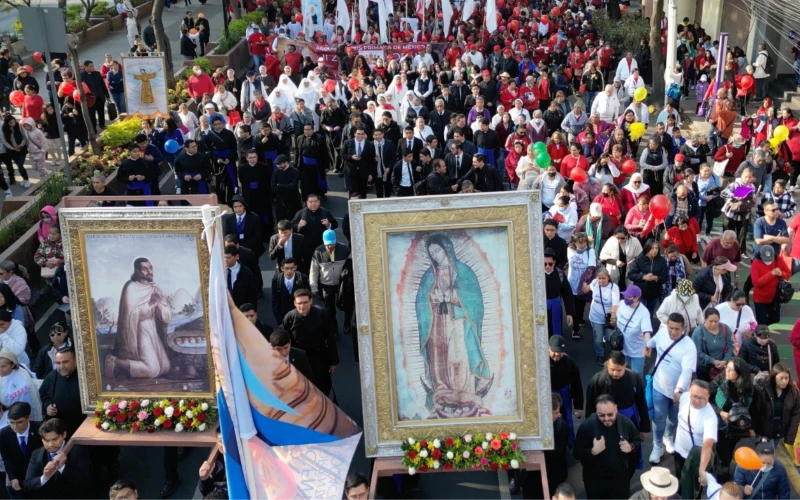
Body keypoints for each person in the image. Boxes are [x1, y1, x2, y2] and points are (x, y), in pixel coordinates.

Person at [103, 258, 172, 380]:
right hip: (137, 330)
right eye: (145, 269)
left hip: (152, 329)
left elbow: (167, 314)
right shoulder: (131, 287)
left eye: (150, 268)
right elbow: (131, 315)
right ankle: (114, 361)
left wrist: (159, 307)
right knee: (152, 370)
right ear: (137, 271)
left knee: (165, 367)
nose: (149, 272)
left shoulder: (154, 288)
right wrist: (152, 303)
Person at [648, 313, 698, 464]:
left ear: (683, 329)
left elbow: (687, 372)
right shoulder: (662, 334)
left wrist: (679, 390)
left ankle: (668, 436)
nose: (673, 332)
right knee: (659, 418)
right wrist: (647, 346)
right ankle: (657, 446)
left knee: (674, 418)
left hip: (679, 393)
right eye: (671, 328)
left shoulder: (689, 346)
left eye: (677, 329)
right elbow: (652, 342)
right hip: (659, 387)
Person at [573, 394, 641, 499]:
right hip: (595, 482)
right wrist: (592, 451)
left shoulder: (626, 424)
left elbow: (637, 442)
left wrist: (631, 447)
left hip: (619, 482)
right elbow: (576, 454)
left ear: (616, 409)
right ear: (596, 411)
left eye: (610, 414)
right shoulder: (587, 427)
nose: (606, 419)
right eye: (601, 415)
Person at [282, 289, 338, 397]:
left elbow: (330, 338)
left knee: (322, 386)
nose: (302, 306)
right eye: (299, 303)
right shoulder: (289, 318)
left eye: (305, 302)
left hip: (319, 357)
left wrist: (334, 361)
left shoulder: (321, 314)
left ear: (311, 301)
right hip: (299, 358)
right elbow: (286, 341)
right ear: (294, 303)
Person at [586, 350, 652, 441]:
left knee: (630, 445)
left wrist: (645, 428)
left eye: (619, 370)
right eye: (612, 370)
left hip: (629, 419)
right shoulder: (597, 380)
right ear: (608, 365)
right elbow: (590, 406)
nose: (615, 373)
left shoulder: (634, 378)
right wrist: (589, 428)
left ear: (625, 366)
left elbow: (641, 403)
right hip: (604, 419)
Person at [21, 417, 89, 499]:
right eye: (46, 440)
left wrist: (63, 468)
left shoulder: (78, 451)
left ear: (64, 434)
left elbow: (85, 481)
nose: (50, 445)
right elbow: (27, 485)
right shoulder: (37, 454)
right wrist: (45, 477)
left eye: (55, 439)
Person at [673, 380, 718, 499]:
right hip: (679, 451)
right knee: (679, 482)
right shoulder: (684, 398)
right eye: (694, 396)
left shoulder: (710, 418)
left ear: (708, 398)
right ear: (689, 393)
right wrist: (676, 393)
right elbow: (676, 396)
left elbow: (707, 446)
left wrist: (702, 470)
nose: (697, 400)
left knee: (692, 490)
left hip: (695, 459)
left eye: (702, 398)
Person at [522, 393, 571, 499]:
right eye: (550, 413)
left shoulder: (562, 427)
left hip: (553, 473)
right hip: (533, 474)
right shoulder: (533, 422)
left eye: (556, 413)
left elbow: (556, 452)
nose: (553, 416)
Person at [0, 402, 42, 499]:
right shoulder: (4, 434)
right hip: (17, 477)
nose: (15, 427)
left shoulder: (40, 429)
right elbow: (6, 458)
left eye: (19, 422)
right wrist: (12, 477)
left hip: (37, 475)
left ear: (29, 418)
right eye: (11, 423)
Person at [548, 335, 583, 447]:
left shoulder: (569, 362)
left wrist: (578, 406)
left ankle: (570, 442)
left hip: (564, 392)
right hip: (547, 393)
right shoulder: (541, 361)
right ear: (548, 348)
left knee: (567, 418)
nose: (557, 354)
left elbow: (576, 383)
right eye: (554, 351)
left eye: (560, 352)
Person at [291, 194, 336, 272]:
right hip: (306, 247)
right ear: (307, 203)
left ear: (319, 202)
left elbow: (335, 224)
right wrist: (299, 225)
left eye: (315, 201)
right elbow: (291, 225)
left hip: (322, 245)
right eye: (311, 202)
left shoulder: (325, 212)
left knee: (323, 266)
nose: (313, 204)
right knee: (308, 266)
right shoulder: (301, 213)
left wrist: (328, 224)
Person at [615, 285, 653, 375]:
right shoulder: (621, 304)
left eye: (628, 297)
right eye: (625, 296)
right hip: (622, 347)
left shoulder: (643, 312)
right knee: (623, 372)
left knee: (636, 374)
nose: (625, 298)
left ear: (636, 298)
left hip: (637, 350)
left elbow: (646, 332)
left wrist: (648, 345)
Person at [566, 233, 597, 340]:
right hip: (572, 282)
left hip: (584, 282)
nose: (583, 245)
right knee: (574, 305)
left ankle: (580, 318)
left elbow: (591, 267)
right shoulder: (570, 250)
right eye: (580, 242)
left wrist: (585, 282)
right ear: (574, 242)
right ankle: (575, 328)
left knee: (581, 303)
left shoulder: (590, 251)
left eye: (584, 242)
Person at [692, 308, 735, 382]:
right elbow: (697, 352)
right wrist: (713, 361)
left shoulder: (725, 328)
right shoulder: (698, 332)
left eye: (716, 321)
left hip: (723, 367)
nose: (714, 324)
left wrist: (725, 361)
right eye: (711, 321)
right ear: (705, 319)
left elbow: (731, 346)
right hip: (704, 368)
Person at [750, 246, 790, 325]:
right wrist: (771, 274)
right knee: (761, 321)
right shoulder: (756, 263)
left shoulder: (779, 260)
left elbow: (788, 274)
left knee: (775, 318)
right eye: (765, 259)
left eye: (770, 259)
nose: (768, 262)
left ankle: (761, 328)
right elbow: (756, 283)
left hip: (774, 297)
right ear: (761, 256)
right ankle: (761, 329)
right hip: (760, 298)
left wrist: (781, 273)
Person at [628, 239, 669, 316]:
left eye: (656, 248)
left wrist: (655, 278)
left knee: (650, 313)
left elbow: (665, 277)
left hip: (654, 292)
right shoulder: (639, 259)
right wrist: (643, 277)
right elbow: (631, 275)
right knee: (640, 313)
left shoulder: (661, 260)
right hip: (641, 292)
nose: (655, 250)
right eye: (652, 248)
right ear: (647, 248)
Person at [0, 351, 42, 424]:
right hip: (15, 418)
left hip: (33, 409)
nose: (0, 369)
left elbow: (34, 382)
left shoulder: (22, 370)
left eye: (3, 366)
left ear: (12, 365)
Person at [588, 269, 619, 366]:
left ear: (608, 277)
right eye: (599, 278)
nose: (601, 281)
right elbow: (587, 288)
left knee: (610, 337)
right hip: (595, 316)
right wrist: (584, 285)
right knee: (598, 338)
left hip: (608, 317)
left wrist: (613, 317)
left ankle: (610, 351)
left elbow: (615, 304)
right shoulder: (594, 283)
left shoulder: (613, 287)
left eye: (603, 278)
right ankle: (599, 354)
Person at [543, 249, 575, 338]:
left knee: (556, 332)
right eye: (545, 264)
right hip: (541, 308)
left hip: (556, 307)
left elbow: (567, 293)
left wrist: (569, 313)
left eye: (550, 264)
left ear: (554, 263)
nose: (547, 266)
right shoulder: (536, 275)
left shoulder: (560, 274)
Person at [271, 154, 302, 225]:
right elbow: (273, 187)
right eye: (277, 164)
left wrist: (280, 185)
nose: (278, 166)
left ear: (286, 162)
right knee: (280, 222)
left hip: (293, 200)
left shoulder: (294, 171)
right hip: (280, 202)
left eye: (280, 164)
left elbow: (293, 186)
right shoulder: (276, 173)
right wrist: (287, 186)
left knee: (294, 220)